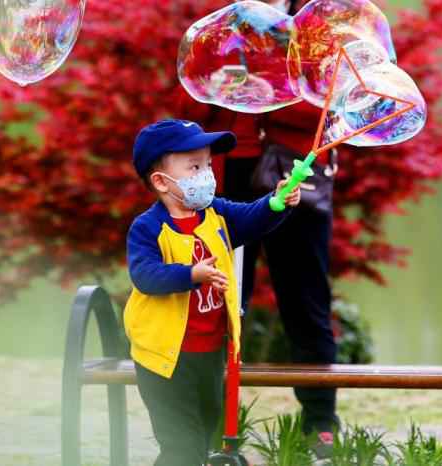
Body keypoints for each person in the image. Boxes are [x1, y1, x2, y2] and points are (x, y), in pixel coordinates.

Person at [174, 0, 341, 459]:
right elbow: (189, 106)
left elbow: (330, 109)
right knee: (221, 300)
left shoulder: (316, 30)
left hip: (292, 178)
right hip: (228, 177)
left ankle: (321, 425)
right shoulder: (219, 28)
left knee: (306, 300)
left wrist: (268, 84)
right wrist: (225, 81)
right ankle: (212, 423)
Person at [124, 118, 301, 466]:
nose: (207, 173)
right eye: (194, 166)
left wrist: (277, 202)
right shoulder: (147, 228)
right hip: (164, 359)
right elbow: (145, 276)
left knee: (203, 437)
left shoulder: (215, 213)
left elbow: (251, 219)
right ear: (161, 181)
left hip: (209, 353)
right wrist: (192, 274)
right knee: (181, 448)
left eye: (207, 164)